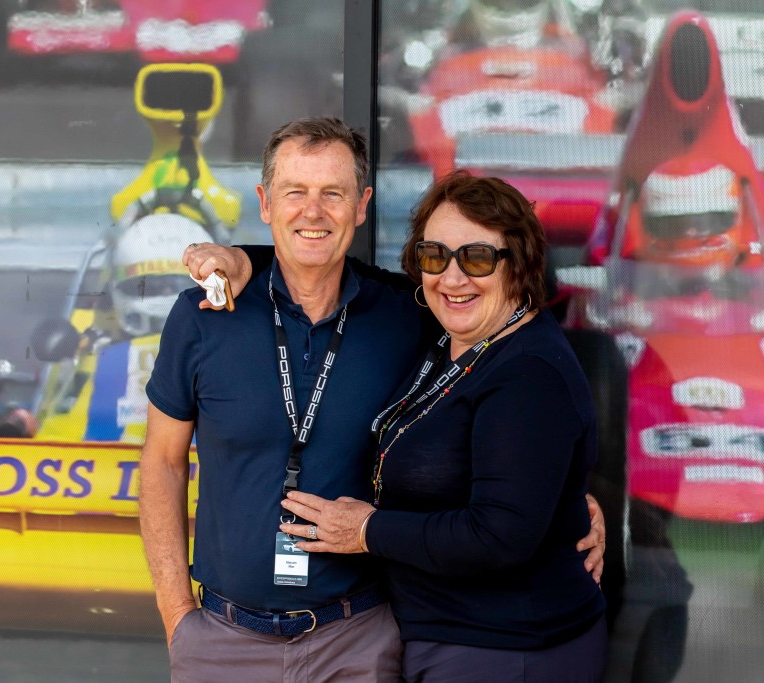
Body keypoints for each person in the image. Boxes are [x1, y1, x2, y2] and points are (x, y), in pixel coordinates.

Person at [142, 117, 604, 682]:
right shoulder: (203, 316)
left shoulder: (411, 313)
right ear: (265, 203)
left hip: (358, 641)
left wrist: (567, 499)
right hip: (223, 640)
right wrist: (176, 614)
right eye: (295, 192)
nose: (313, 212)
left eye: (333, 194)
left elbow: (523, 403)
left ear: (361, 206)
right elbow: (163, 462)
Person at [275, 171, 609, 681]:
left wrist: (366, 530)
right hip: (446, 637)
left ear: (519, 263)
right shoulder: (449, 338)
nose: (452, 278)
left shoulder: (528, 372)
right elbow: (327, 269)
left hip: (506, 649)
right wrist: (240, 259)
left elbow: (498, 536)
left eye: (477, 258)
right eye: (434, 256)